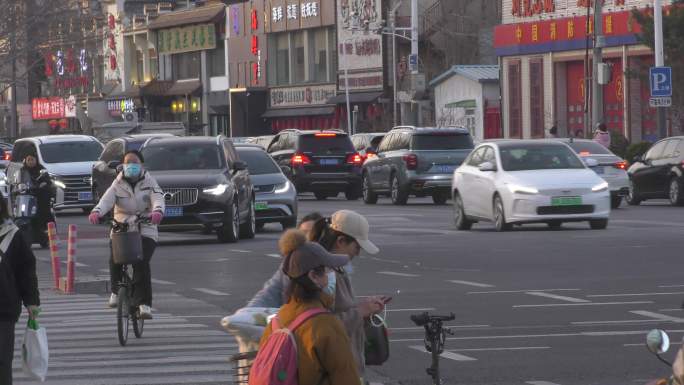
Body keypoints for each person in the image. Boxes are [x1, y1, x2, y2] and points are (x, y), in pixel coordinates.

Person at [257, 229, 362, 385]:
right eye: (327, 270)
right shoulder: (326, 325)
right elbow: (347, 378)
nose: (331, 276)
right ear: (314, 276)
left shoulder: (276, 322)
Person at [309, 210, 386, 378]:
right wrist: (361, 311)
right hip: (333, 373)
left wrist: (365, 308)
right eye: (357, 247)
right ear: (341, 241)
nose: (358, 253)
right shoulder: (325, 275)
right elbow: (322, 328)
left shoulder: (337, 270)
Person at [89, 150, 164, 319]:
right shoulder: (117, 184)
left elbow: (158, 199)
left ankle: (144, 304)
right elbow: (106, 201)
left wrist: (157, 211)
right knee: (114, 259)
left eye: (134, 162)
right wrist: (97, 212)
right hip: (121, 227)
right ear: (123, 165)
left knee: (141, 263)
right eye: (127, 162)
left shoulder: (150, 182)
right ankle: (116, 291)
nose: (131, 166)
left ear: (141, 165)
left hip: (146, 227)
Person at [0, 195, 40, 385]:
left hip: (4, 308)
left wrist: (31, 301)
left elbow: (26, 270)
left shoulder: (12, 234)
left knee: (2, 361)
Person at [246, 212, 323, 308]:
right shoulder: (288, 264)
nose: (307, 238)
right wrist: (248, 311)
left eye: (312, 233)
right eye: (303, 233)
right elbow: (270, 292)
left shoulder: (332, 265)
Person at [11, 154, 55, 246]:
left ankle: (46, 232)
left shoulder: (42, 170)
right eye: (29, 160)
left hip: (39, 197)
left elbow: (48, 182)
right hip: (26, 197)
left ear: (36, 160)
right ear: (25, 161)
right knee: (16, 212)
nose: (30, 162)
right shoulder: (22, 171)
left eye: (32, 160)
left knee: (44, 212)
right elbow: (17, 182)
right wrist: (16, 187)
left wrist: (43, 185)